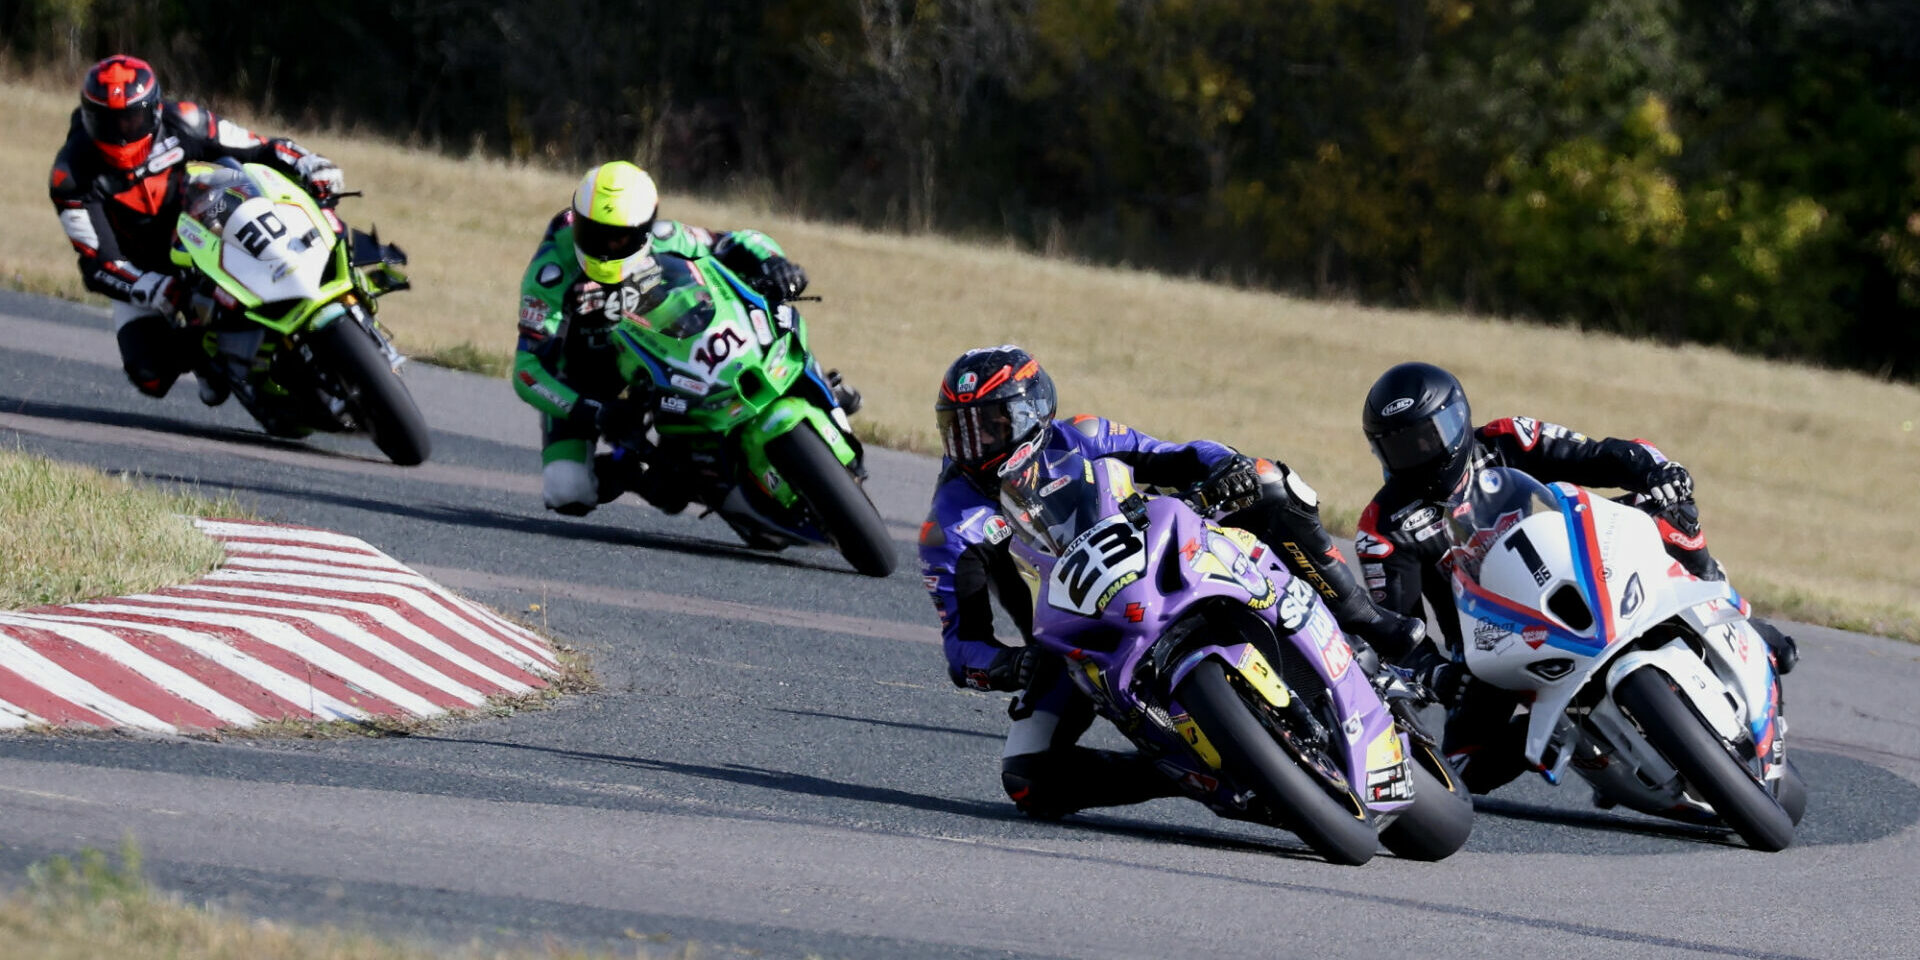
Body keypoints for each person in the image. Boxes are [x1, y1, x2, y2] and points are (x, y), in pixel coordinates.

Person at [919, 344, 1423, 819]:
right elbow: (962, 647)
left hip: (1154, 552)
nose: (971, 443)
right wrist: (1011, 663)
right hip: (1071, 637)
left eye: (987, 425)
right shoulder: (949, 524)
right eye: (957, 430)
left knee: (1267, 481)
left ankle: (1363, 617)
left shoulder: (1084, 433)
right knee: (1029, 780)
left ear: (1032, 411)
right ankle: (1192, 773)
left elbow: (1175, 456)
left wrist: (1225, 466)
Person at [1353, 361, 1800, 793]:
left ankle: (1724, 605)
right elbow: (1394, 630)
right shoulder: (1382, 529)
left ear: (1458, 420)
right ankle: (1550, 738)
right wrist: (1436, 675)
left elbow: (1599, 456)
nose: (1421, 454)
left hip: (1585, 570)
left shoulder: (1510, 438)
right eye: (1402, 446)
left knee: (1668, 510)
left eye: (1430, 438)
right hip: (1495, 638)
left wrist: (1657, 472)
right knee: (1460, 770)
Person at [512, 159, 856, 516]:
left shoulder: (663, 236)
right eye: (595, 234)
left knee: (770, 314)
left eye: (620, 236)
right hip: (585, 380)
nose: (607, 246)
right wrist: (594, 412)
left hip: (656, 351)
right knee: (567, 490)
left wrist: (775, 263)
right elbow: (527, 371)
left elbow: (740, 240)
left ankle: (815, 385)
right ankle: (639, 473)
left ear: (645, 226)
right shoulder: (549, 276)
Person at [49, 54, 345, 404]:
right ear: (87, 117)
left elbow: (259, 146)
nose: (120, 135)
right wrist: (147, 286)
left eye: (131, 120)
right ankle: (210, 359)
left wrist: (307, 161)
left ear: (154, 110)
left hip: (204, 226)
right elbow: (98, 264)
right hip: (142, 267)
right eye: (107, 123)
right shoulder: (70, 175)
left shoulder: (187, 119)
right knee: (150, 376)